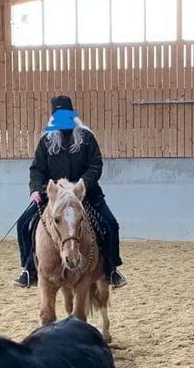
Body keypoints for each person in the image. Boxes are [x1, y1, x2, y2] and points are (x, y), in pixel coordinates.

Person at [14, 95, 127, 289]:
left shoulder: (86, 138)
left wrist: (82, 185)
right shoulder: (46, 142)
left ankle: (111, 269)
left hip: (84, 193)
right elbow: (37, 170)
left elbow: (95, 165)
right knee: (24, 224)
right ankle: (28, 269)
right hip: (53, 196)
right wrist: (35, 190)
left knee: (110, 224)